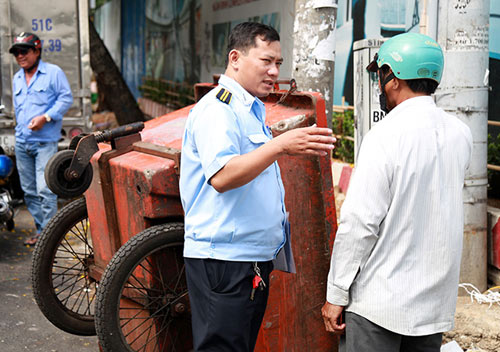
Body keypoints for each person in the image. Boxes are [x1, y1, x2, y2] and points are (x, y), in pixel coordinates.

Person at [180, 22, 335, 352]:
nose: (274, 71)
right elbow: (221, 176)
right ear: (235, 58)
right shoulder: (219, 109)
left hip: (248, 259)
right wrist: (279, 146)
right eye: (266, 61)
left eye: (278, 63)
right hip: (223, 261)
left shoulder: (248, 108)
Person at [321, 32, 473, 351]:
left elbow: (359, 223)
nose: (380, 84)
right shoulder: (461, 134)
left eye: (380, 74)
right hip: (432, 307)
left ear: (393, 77)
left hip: (379, 305)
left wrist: (335, 295)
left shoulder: (385, 135)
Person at [9, 32, 73, 245]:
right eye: (17, 52)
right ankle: (41, 232)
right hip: (22, 142)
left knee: (45, 189)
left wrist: (46, 117)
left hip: (45, 142)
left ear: (37, 51)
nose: (20, 56)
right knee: (28, 191)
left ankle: (50, 238)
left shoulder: (53, 73)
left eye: (24, 51)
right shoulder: (17, 77)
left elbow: (66, 98)